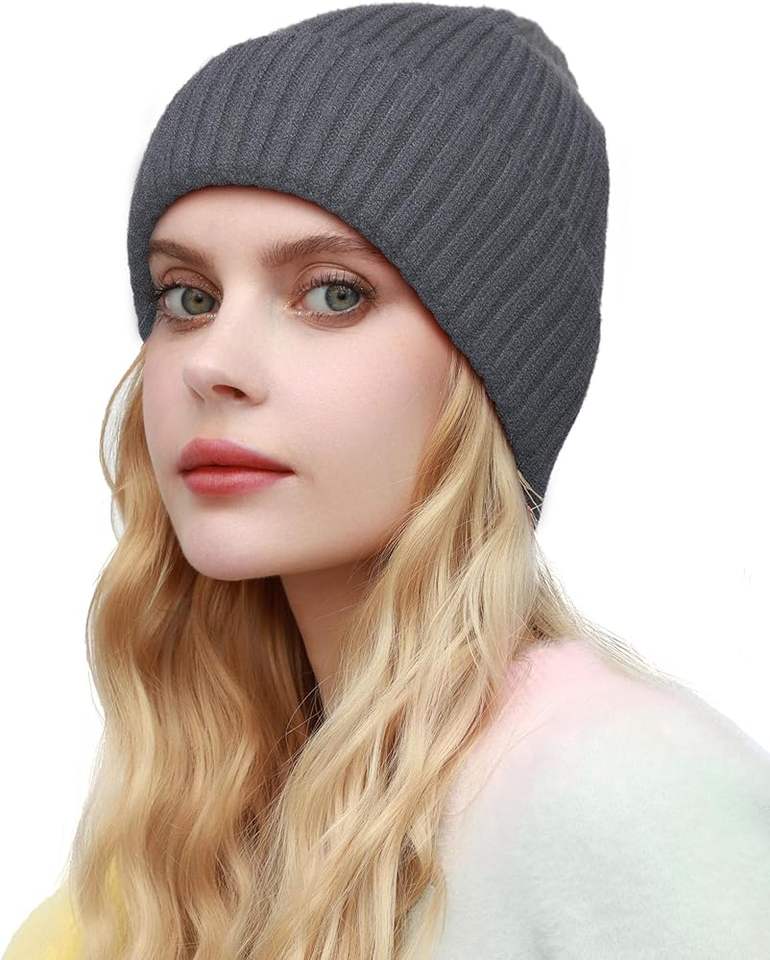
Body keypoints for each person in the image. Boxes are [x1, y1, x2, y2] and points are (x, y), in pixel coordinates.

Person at [5, 3, 770, 959]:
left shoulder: (620, 795)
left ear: (491, 375)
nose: (212, 364)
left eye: (335, 293)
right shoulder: (162, 869)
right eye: (188, 297)